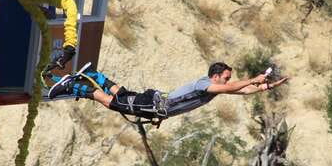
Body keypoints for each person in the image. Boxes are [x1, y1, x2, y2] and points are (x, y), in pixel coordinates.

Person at [47, 61, 289, 119]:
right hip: (156, 105)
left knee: (123, 95)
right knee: (113, 103)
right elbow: (235, 88)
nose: (228, 82)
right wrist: (253, 78)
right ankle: (78, 86)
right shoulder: (204, 85)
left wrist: (266, 86)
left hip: (155, 105)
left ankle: (93, 75)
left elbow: (242, 92)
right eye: (226, 78)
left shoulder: (213, 89)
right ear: (215, 76)